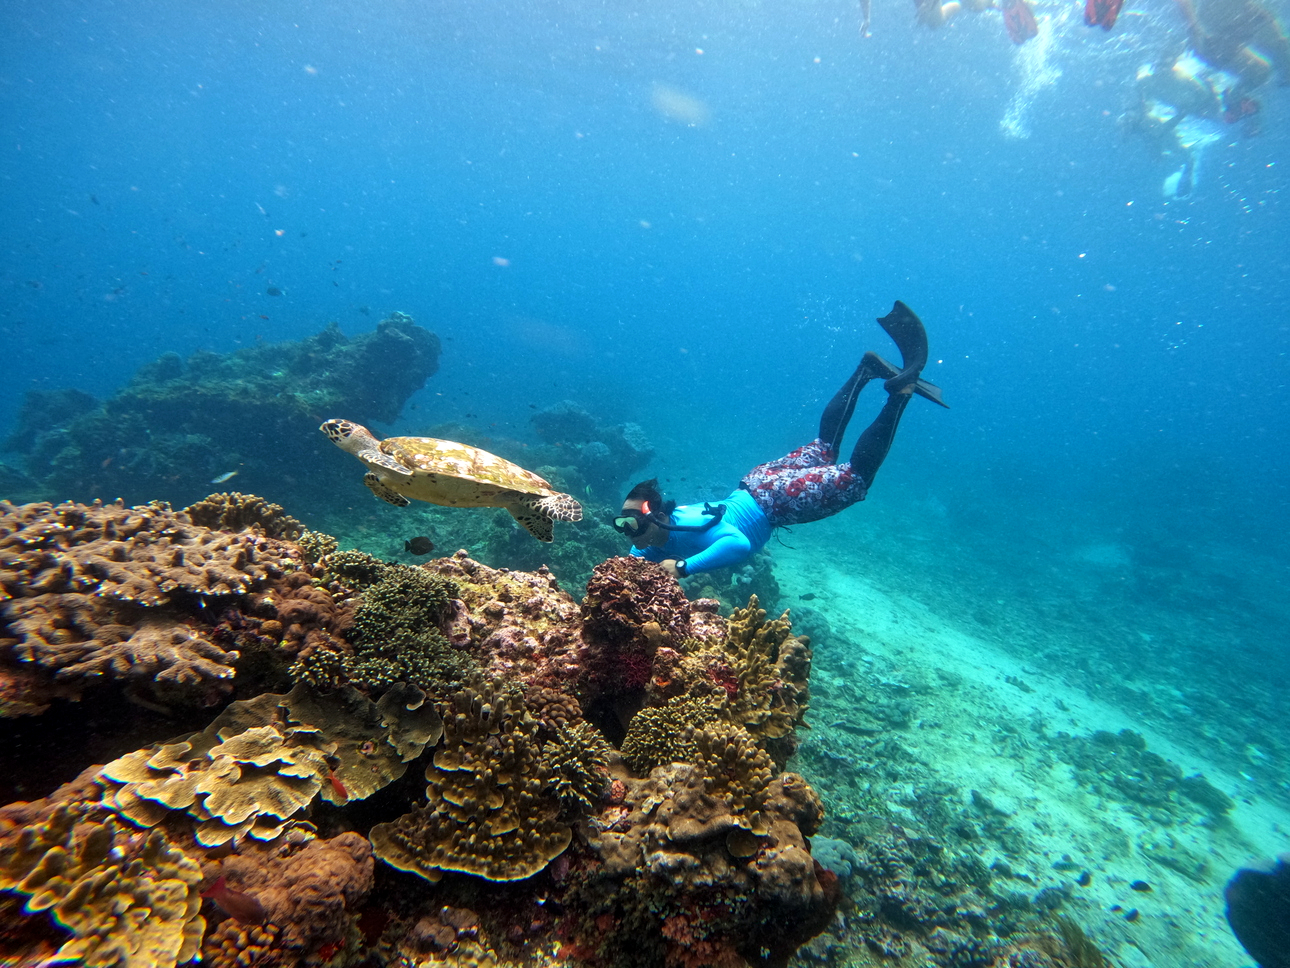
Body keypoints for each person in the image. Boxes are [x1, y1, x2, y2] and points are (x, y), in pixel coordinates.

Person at [612, 301, 948, 579]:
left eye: (631, 522)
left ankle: (899, 393)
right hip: (759, 485)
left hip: (775, 501)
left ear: (655, 516)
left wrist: (685, 567)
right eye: (622, 524)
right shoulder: (649, 544)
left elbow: (738, 544)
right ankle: (866, 370)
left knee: (855, 479)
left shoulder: (686, 526)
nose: (627, 531)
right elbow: (633, 557)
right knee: (825, 446)